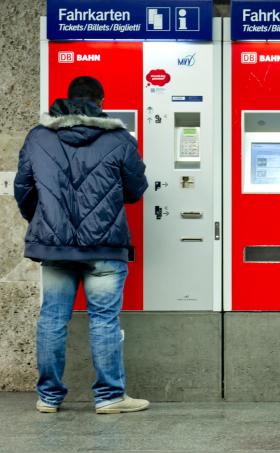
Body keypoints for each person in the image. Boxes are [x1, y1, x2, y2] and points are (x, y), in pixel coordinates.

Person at [14, 76, 150, 414]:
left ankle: (48, 397)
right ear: (100, 102)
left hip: (55, 247)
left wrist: (47, 221)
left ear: (66, 99)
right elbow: (135, 190)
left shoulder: (38, 137)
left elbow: (23, 189)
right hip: (104, 247)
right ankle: (109, 397)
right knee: (104, 320)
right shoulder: (119, 138)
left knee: (52, 319)